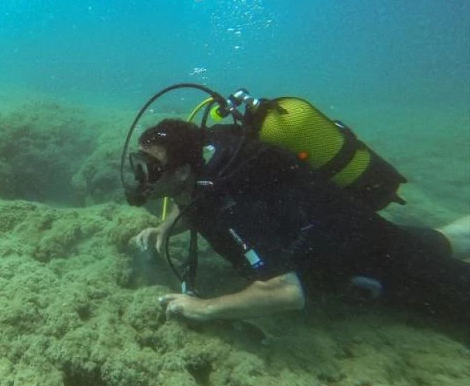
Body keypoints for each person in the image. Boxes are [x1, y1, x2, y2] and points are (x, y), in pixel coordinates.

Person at [128, 117, 470, 331]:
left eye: (150, 168)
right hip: (359, 230)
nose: (141, 175)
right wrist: (166, 228)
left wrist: (205, 309)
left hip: (372, 261)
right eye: (139, 161)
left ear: (184, 170)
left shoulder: (234, 202)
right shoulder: (209, 163)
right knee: (444, 240)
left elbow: (286, 291)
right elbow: (192, 201)